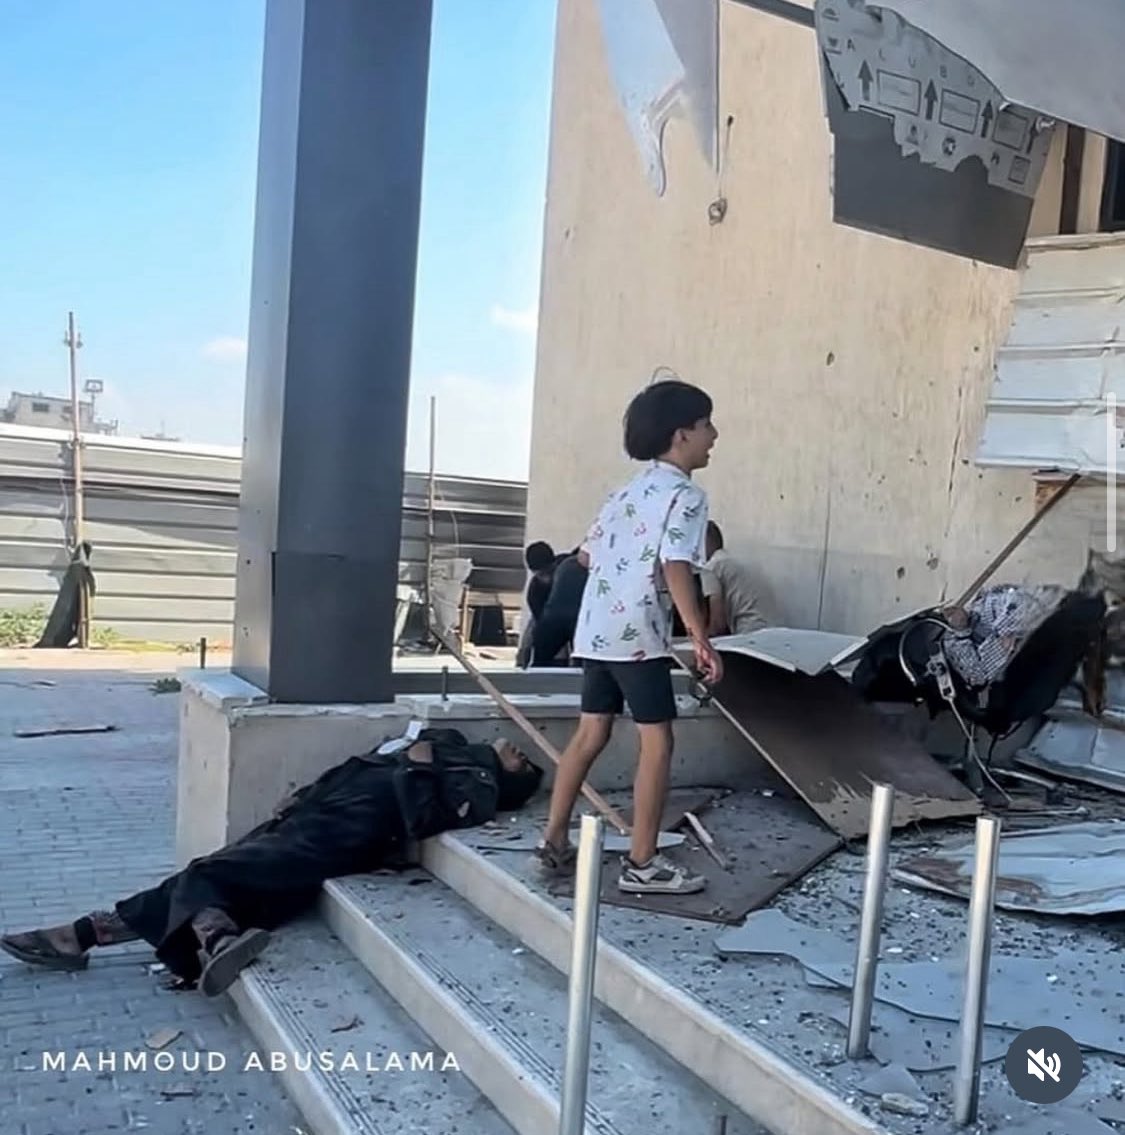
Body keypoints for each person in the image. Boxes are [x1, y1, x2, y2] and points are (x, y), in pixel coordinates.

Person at [1, 728, 542, 996]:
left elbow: (423, 817)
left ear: (515, 777)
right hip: (324, 810)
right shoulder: (452, 743)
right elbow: (366, 762)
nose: (518, 747)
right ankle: (198, 934)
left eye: (526, 760)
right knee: (218, 866)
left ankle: (106, 935)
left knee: (210, 873)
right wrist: (307, 793)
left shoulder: (482, 783)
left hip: (351, 829)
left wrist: (422, 766)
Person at [536, 379, 722, 896]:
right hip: (638, 632)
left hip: (595, 631)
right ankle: (643, 862)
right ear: (681, 434)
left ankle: (553, 841)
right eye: (706, 425)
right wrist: (700, 637)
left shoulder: (623, 492)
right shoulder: (685, 496)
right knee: (657, 739)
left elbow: (585, 556)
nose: (714, 435)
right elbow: (676, 563)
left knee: (590, 733)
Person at [700, 521, 769, 637]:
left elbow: (718, 625)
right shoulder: (737, 562)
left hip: (750, 633)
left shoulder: (711, 568)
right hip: (775, 631)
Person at [529, 547, 589, 667]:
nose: (546, 578)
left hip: (577, 619)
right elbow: (540, 621)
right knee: (537, 647)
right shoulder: (535, 590)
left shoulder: (569, 564)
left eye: (548, 572)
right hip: (555, 618)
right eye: (541, 574)